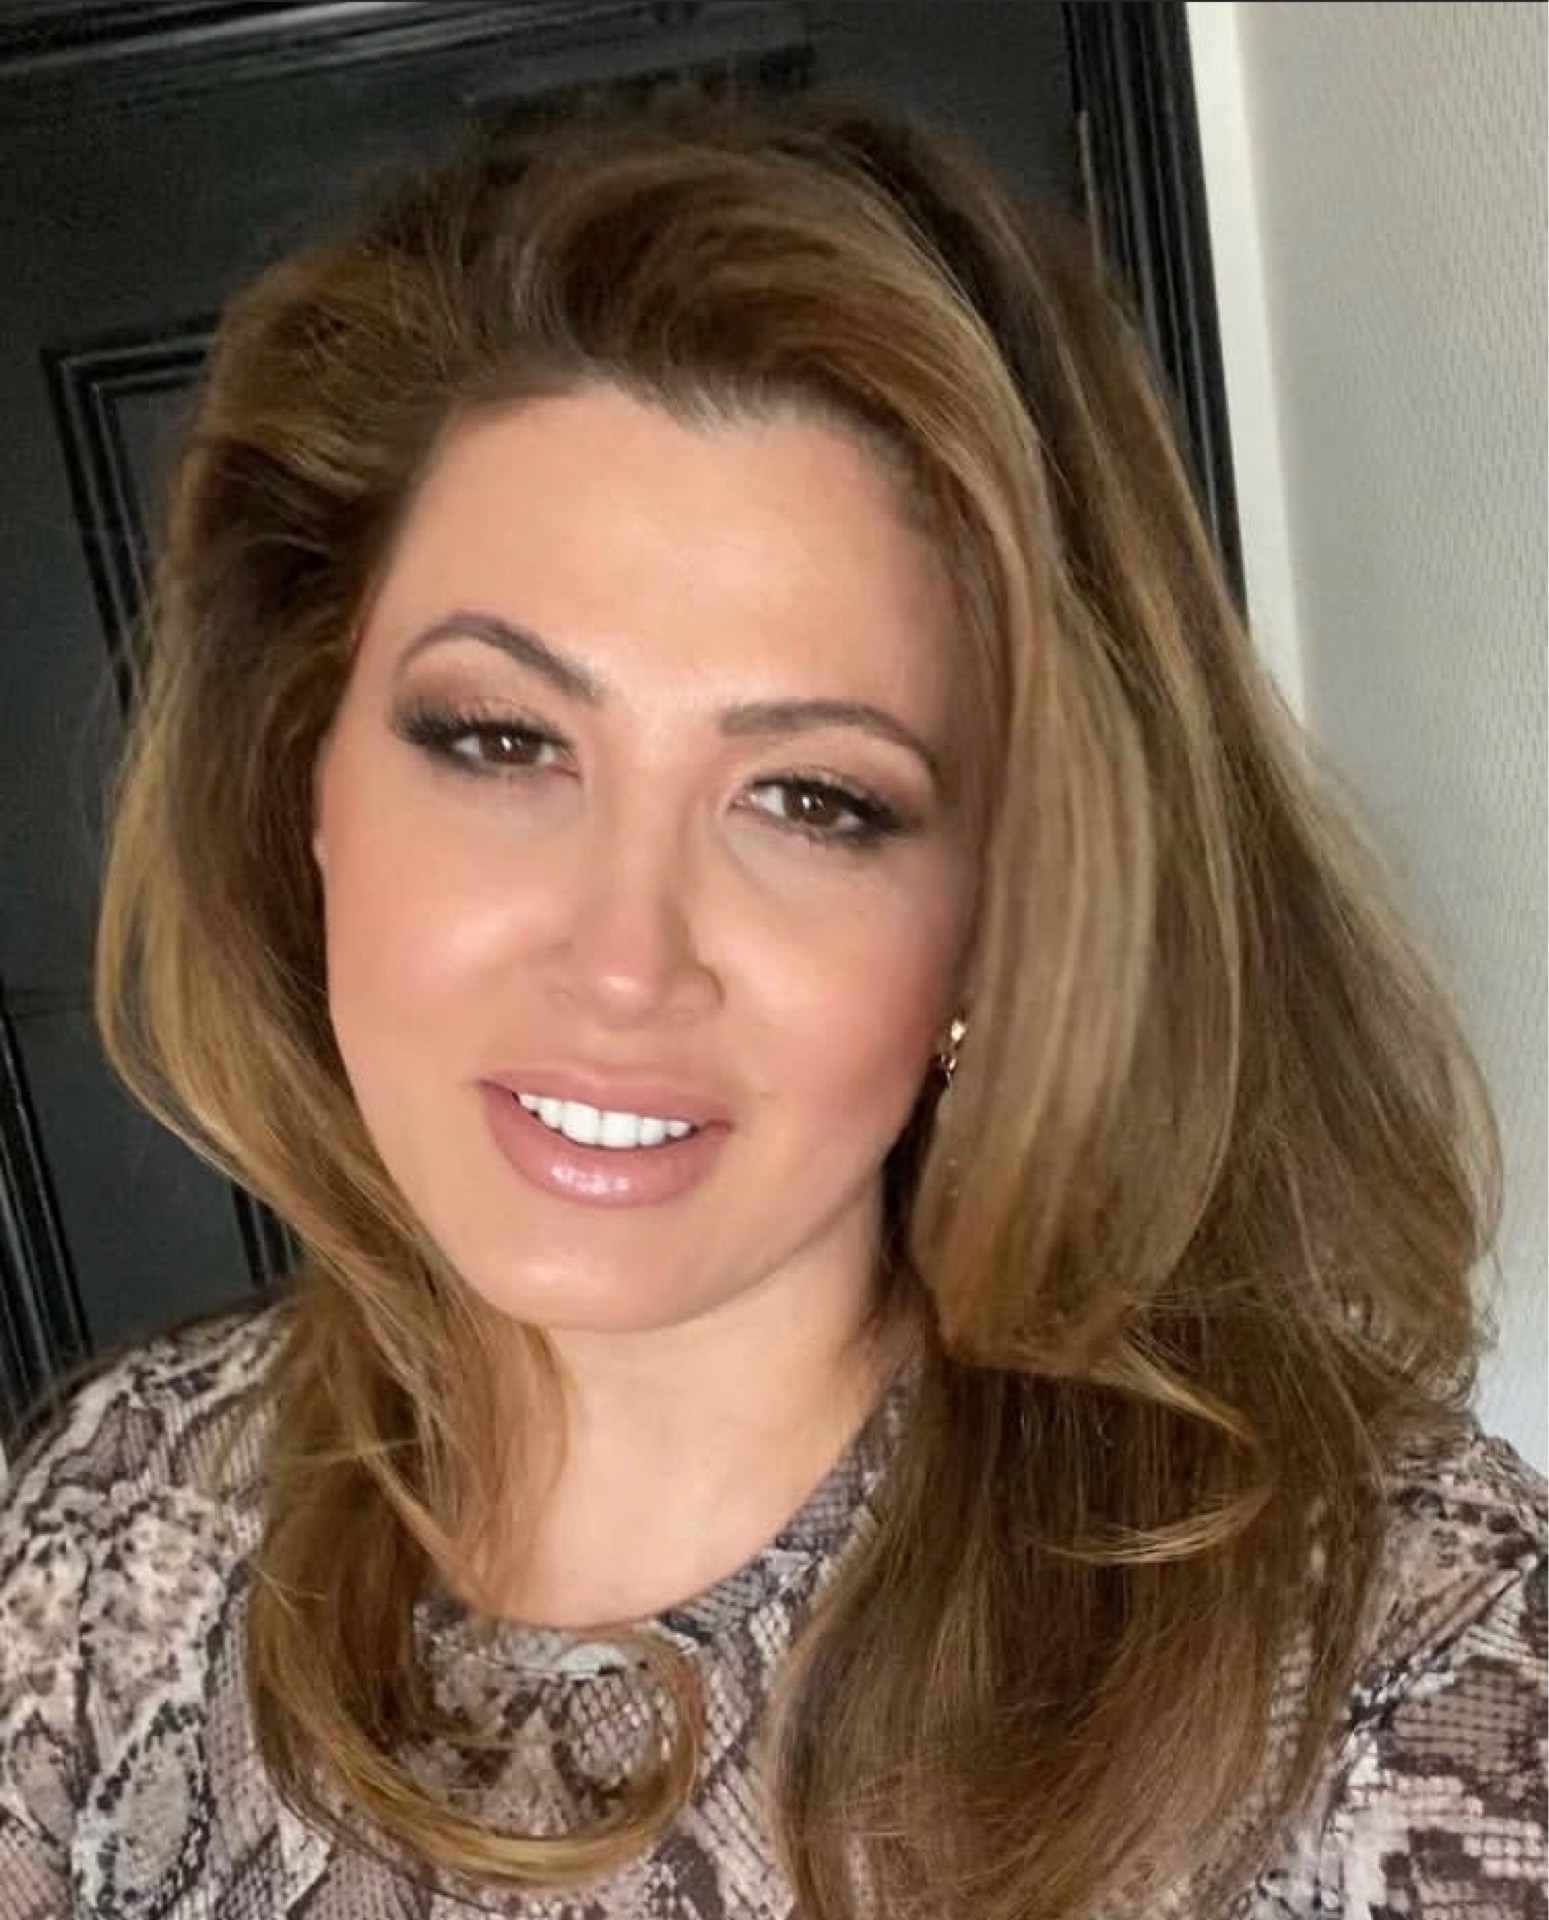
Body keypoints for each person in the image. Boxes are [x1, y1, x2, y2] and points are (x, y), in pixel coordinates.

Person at [0, 88, 1542, 1920]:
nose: (622, 959)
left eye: (813, 801)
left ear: (1006, 919)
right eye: (498, 739)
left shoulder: (1394, 1672)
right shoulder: (111, 1525)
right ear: (302, 780)